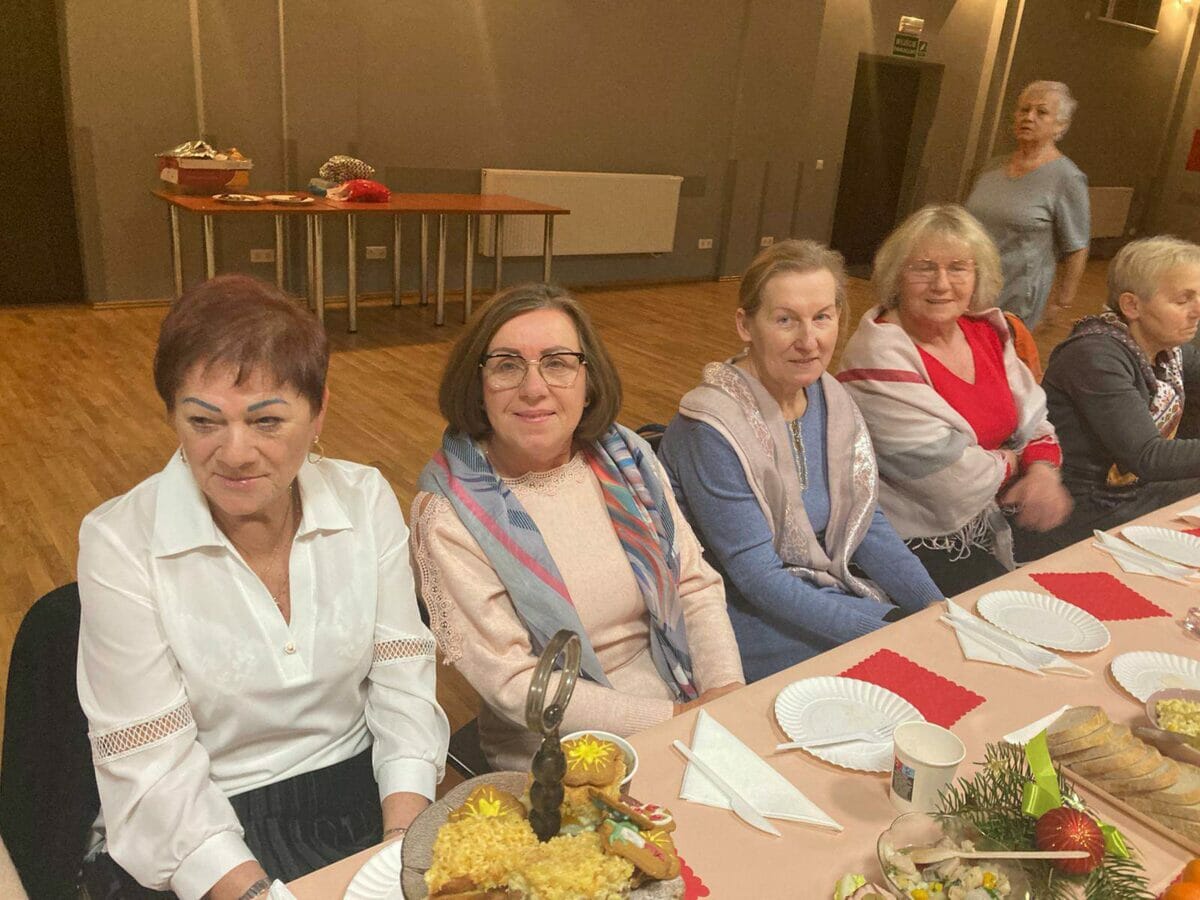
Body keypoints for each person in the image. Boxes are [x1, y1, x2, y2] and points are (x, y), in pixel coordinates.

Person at [77, 276, 449, 899]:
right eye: (203, 421)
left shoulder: (363, 498)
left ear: (319, 411)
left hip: (361, 789)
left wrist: (400, 851)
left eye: (267, 420)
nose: (235, 453)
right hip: (206, 819)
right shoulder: (119, 542)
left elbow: (402, 684)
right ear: (172, 415)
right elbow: (156, 772)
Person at [411, 283, 744, 771]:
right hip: (554, 750)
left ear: (588, 381)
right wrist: (674, 720)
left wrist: (726, 692)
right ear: (477, 386)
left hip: (684, 694)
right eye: (506, 365)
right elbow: (513, 683)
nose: (534, 388)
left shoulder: (627, 459)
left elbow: (693, 585)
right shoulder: (448, 512)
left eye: (557, 362)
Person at [658, 240, 942, 683]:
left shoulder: (832, 400)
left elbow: (867, 523)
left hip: (811, 588)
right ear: (745, 325)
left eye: (822, 317)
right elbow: (756, 578)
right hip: (733, 612)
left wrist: (935, 606)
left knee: (937, 646)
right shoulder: (711, 429)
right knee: (906, 672)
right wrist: (882, 627)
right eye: (785, 320)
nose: (809, 342)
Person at [838, 205, 1072, 596]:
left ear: (978, 275)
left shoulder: (986, 331)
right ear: (896, 276)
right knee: (1007, 606)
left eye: (958, 268)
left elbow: (1035, 419)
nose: (942, 284)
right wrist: (1018, 461)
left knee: (1072, 577)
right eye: (924, 268)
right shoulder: (876, 356)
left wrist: (1044, 471)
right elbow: (948, 480)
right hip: (914, 536)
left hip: (995, 510)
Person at [1040, 236, 1200, 546]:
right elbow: (1148, 457)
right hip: (1083, 509)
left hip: (1131, 494)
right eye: (1183, 300)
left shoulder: (1168, 350)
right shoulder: (1094, 355)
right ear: (1132, 305)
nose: (1197, 311)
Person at [966, 80, 1090, 329]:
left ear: (1060, 125)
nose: (1029, 117)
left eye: (1041, 112)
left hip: (1016, 297)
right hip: (969, 288)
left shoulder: (1067, 177)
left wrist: (1061, 301)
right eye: (1024, 110)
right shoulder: (992, 167)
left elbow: (1077, 247)